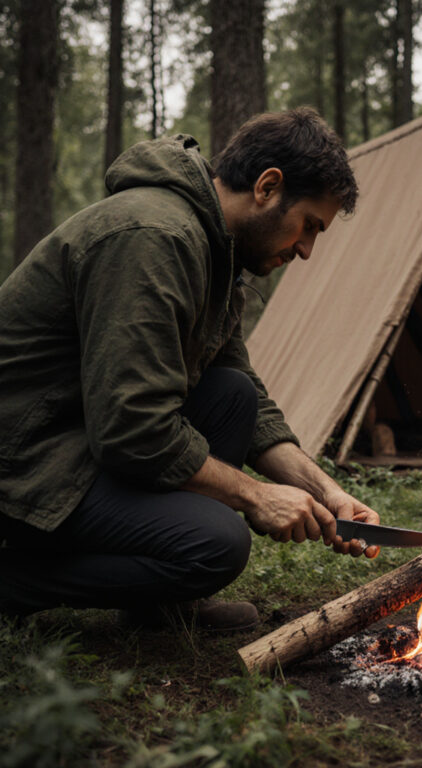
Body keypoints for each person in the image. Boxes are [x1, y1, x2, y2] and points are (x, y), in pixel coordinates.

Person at [0, 108, 380, 631]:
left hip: (76, 440)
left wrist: (325, 492)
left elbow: (242, 386)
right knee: (216, 543)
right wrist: (256, 495)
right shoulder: (154, 237)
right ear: (268, 187)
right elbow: (132, 428)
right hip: (26, 466)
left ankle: (156, 597)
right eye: (309, 225)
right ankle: (16, 583)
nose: (307, 250)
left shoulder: (214, 252)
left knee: (232, 394)